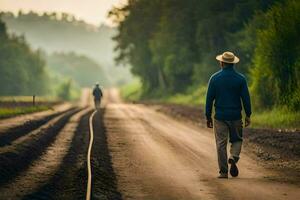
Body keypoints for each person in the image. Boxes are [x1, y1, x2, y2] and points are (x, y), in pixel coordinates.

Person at [205, 51, 251, 179]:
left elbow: (209, 99)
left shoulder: (214, 78)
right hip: (236, 116)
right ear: (233, 64)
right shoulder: (241, 79)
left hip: (220, 117)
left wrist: (208, 116)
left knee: (220, 144)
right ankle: (233, 157)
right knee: (237, 140)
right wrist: (248, 114)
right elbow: (246, 99)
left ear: (222, 63)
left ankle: (223, 172)